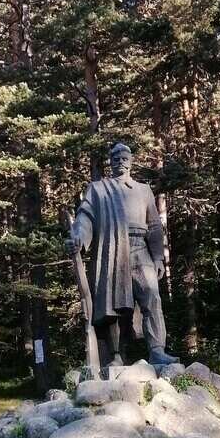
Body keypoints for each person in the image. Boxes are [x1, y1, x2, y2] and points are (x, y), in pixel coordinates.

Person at [67, 143, 178, 367]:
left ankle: (157, 350)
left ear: (131, 160)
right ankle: (116, 355)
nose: (120, 160)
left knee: (152, 296)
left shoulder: (143, 190)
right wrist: (78, 236)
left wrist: (158, 258)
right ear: (110, 161)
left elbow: (155, 226)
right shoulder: (98, 189)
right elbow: (85, 216)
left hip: (140, 248)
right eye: (115, 157)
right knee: (111, 304)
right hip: (112, 249)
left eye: (124, 156)